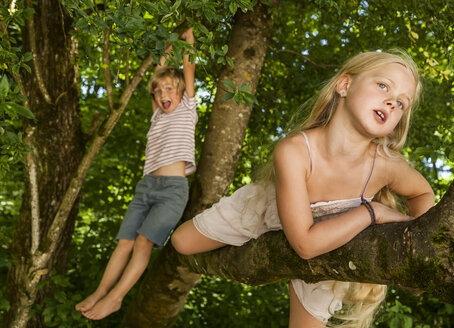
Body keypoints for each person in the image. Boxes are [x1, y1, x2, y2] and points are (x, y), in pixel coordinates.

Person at [171, 49, 435, 327]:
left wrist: (415, 234)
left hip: (330, 239)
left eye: (401, 104)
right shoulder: (295, 150)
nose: (392, 102)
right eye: (383, 85)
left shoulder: (386, 164)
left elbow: (422, 193)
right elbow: (305, 244)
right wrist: (375, 212)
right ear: (344, 85)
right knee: (182, 242)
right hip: (267, 212)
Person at [75, 27, 197, 320]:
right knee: (124, 243)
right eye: (158, 91)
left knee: (143, 243)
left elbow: (187, 66)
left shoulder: (188, 107)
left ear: (181, 92)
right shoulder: (157, 114)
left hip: (172, 191)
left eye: (169, 89)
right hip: (146, 187)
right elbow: (159, 70)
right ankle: (100, 291)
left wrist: (189, 39)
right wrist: (169, 42)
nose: (163, 94)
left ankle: (116, 298)